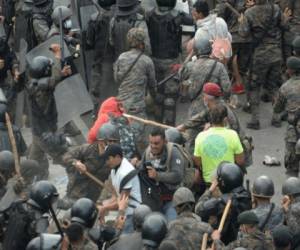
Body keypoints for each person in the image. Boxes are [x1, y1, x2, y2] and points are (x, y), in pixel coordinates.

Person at [238, 0, 285, 129]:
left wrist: (241, 21)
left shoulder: (249, 12)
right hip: (276, 52)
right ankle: (276, 118)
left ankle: (255, 120)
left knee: (254, 86)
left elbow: (243, 33)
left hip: (260, 55)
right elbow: (284, 25)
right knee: (273, 86)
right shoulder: (276, 9)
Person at [145, 0, 194, 125]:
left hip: (154, 60)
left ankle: (158, 125)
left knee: (159, 95)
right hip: (172, 61)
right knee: (170, 97)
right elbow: (193, 22)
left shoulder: (149, 15)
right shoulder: (180, 16)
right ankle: (170, 126)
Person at [27, 48, 72, 180]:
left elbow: (52, 79)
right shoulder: (42, 88)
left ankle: (36, 177)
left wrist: (61, 73)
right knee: (66, 158)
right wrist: (58, 56)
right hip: (46, 134)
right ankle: (83, 174)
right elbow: (52, 80)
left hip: (37, 131)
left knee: (34, 159)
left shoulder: (32, 83)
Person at [180, 30, 231, 135]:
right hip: (215, 108)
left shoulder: (190, 66)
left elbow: (180, 73)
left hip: (195, 109)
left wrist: (190, 55)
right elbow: (227, 89)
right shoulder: (219, 66)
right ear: (210, 50)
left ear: (196, 50)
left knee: (192, 139)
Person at [114, 27, 157, 150]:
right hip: (136, 107)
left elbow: (117, 79)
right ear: (142, 43)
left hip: (121, 104)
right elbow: (152, 85)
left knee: (122, 133)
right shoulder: (146, 61)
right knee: (136, 138)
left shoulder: (121, 57)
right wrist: (153, 98)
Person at [177, 82, 244, 155]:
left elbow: (225, 136)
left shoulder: (222, 111)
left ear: (207, 98)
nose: (203, 98)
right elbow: (200, 117)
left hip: (237, 150)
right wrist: (184, 126)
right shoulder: (214, 105)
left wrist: (206, 132)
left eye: (204, 96)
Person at [195, 162, 251, 244]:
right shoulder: (246, 195)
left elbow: (199, 209)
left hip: (225, 243)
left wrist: (210, 190)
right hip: (243, 239)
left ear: (223, 183)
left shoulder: (222, 201)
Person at [62, 125, 113, 208]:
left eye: (113, 142)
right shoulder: (86, 149)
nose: (111, 144)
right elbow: (66, 157)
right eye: (108, 141)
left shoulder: (113, 157)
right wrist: (75, 162)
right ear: (100, 141)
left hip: (94, 198)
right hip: (76, 193)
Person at [193, 103, 244, 186]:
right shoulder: (233, 135)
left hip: (209, 183)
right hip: (229, 181)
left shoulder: (200, 136)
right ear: (225, 120)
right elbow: (240, 161)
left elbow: (197, 162)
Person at [140, 127, 184, 221]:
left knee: (172, 223)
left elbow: (178, 176)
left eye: (156, 143)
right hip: (153, 199)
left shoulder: (173, 152)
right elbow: (141, 172)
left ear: (165, 141)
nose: (153, 146)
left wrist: (157, 176)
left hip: (171, 200)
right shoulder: (147, 153)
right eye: (151, 143)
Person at [1, 181, 59, 250]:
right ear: (44, 201)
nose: (52, 203)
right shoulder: (41, 220)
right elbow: (43, 245)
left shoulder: (18, 204)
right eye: (51, 201)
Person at [97, 144, 142, 234]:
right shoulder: (114, 169)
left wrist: (104, 208)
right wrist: (104, 205)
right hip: (123, 210)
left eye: (108, 159)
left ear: (117, 157)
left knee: (121, 238)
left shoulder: (125, 172)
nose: (106, 162)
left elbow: (122, 203)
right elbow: (116, 196)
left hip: (132, 212)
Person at [272, 56, 300, 177]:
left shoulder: (285, 87)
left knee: (292, 167)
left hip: (293, 129)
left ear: (290, 70)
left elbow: (277, 109)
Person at [86, 0, 116, 108]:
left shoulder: (94, 18)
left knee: (95, 90)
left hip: (99, 60)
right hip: (115, 58)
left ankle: (96, 113)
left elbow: (89, 41)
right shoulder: (118, 17)